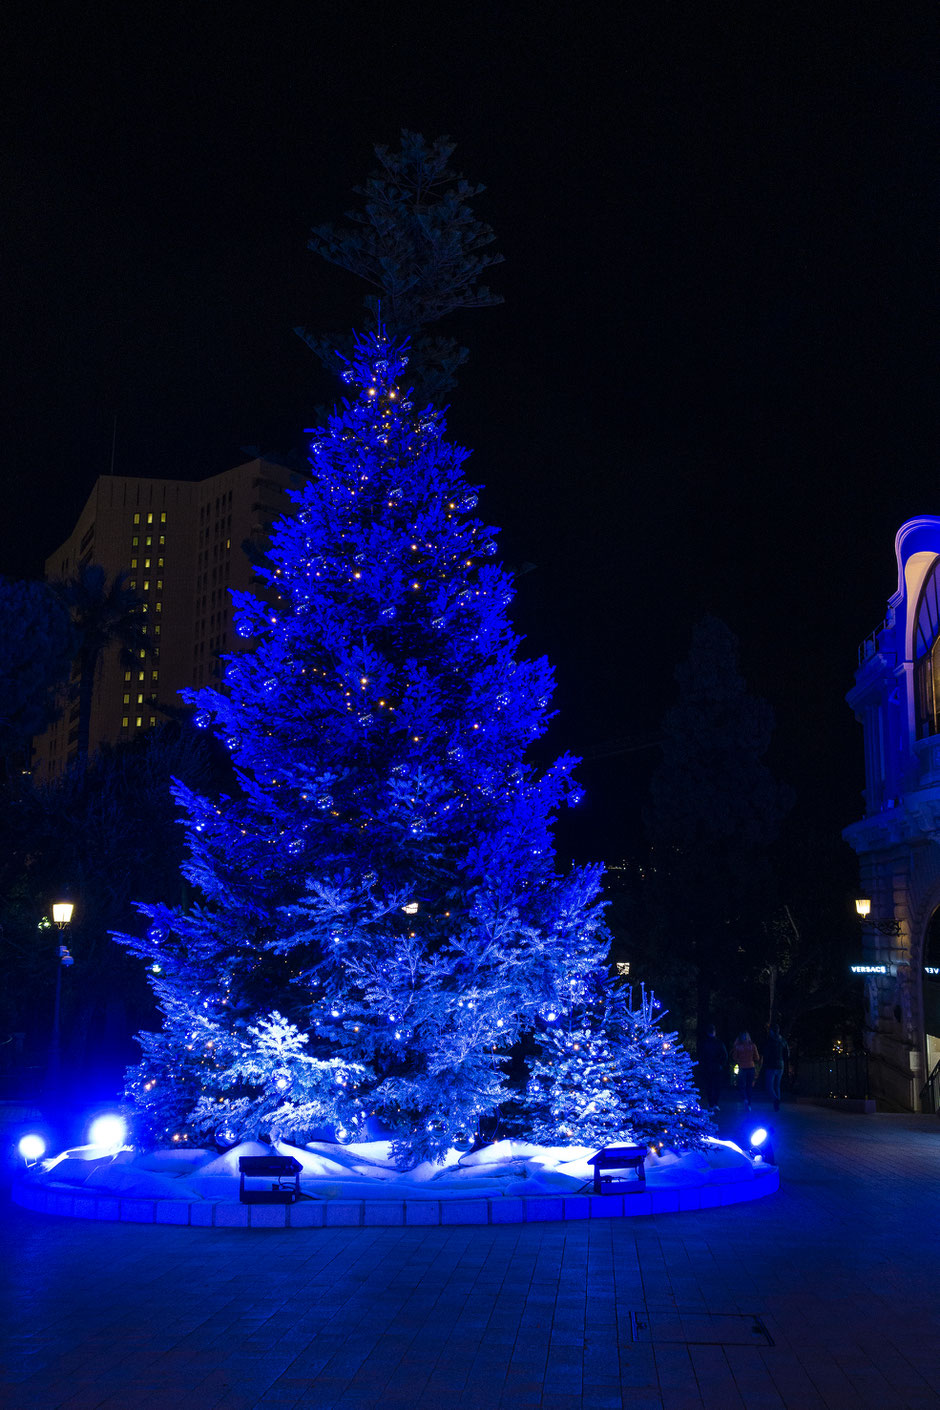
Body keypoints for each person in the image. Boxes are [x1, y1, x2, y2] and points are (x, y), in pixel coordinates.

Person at [698, 1025, 728, 1109]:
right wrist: (721, 1064)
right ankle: (715, 1103)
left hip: (707, 1067)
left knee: (709, 1086)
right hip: (717, 1068)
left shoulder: (704, 1043)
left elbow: (701, 1056)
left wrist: (702, 1065)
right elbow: (724, 1055)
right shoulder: (719, 1043)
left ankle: (711, 1103)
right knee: (716, 1086)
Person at [731, 1031, 760, 1110]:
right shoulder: (752, 1046)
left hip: (742, 1068)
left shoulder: (738, 1046)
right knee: (749, 1086)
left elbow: (734, 1057)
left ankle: (745, 1099)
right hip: (751, 1067)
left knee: (741, 1085)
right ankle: (749, 1104)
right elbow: (757, 1058)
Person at [763, 1024, 789, 1111]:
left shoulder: (769, 1041)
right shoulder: (783, 1041)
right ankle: (777, 1103)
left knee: (769, 1086)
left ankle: (776, 1100)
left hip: (771, 1065)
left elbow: (766, 1053)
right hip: (780, 1064)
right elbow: (787, 1053)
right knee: (777, 1085)